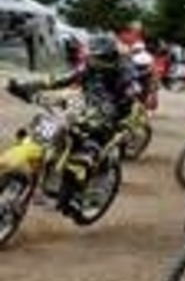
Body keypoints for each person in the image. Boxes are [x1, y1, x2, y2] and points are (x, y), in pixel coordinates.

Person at [6, 33, 140, 212]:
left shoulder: (124, 74)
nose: (91, 60)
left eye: (95, 57)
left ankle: (76, 195)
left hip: (110, 120)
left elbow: (134, 99)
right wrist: (25, 87)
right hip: (83, 108)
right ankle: (39, 174)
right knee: (41, 130)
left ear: (108, 57)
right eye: (90, 55)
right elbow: (58, 80)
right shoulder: (88, 68)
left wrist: (124, 119)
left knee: (83, 157)